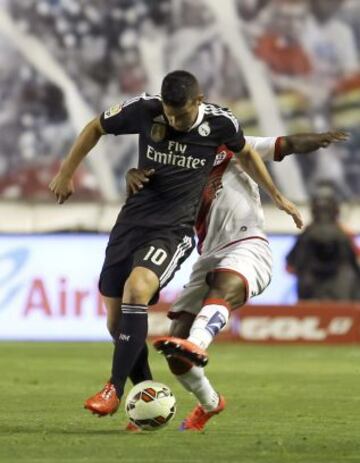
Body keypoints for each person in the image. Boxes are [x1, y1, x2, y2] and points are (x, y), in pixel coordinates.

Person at [49, 70, 300, 418]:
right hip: (131, 221)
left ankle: (113, 388)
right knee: (115, 323)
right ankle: (147, 397)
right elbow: (95, 127)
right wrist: (66, 173)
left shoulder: (221, 123)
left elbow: (246, 154)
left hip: (173, 229)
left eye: (180, 115)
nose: (173, 121)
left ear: (198, 102)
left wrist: (278, 196)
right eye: (169, 114)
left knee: (137, 290)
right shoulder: (144, 109)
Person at [127, 130, 347, 431]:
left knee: (224, 285)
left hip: (248, 243)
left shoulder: (230, 144)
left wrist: (319, 138)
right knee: (176, 355)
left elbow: (285, 144)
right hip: (207, 255)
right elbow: (146, 198)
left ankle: (197, 343)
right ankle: (210, 402)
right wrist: (132, 175)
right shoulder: (171, 166)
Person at [286, 180, 360, 301]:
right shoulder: (345, 236)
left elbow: (289, 268)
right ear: (337, 211)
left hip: (312, 303)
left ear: (313, 210)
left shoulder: (305, 236)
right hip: (342, 302)